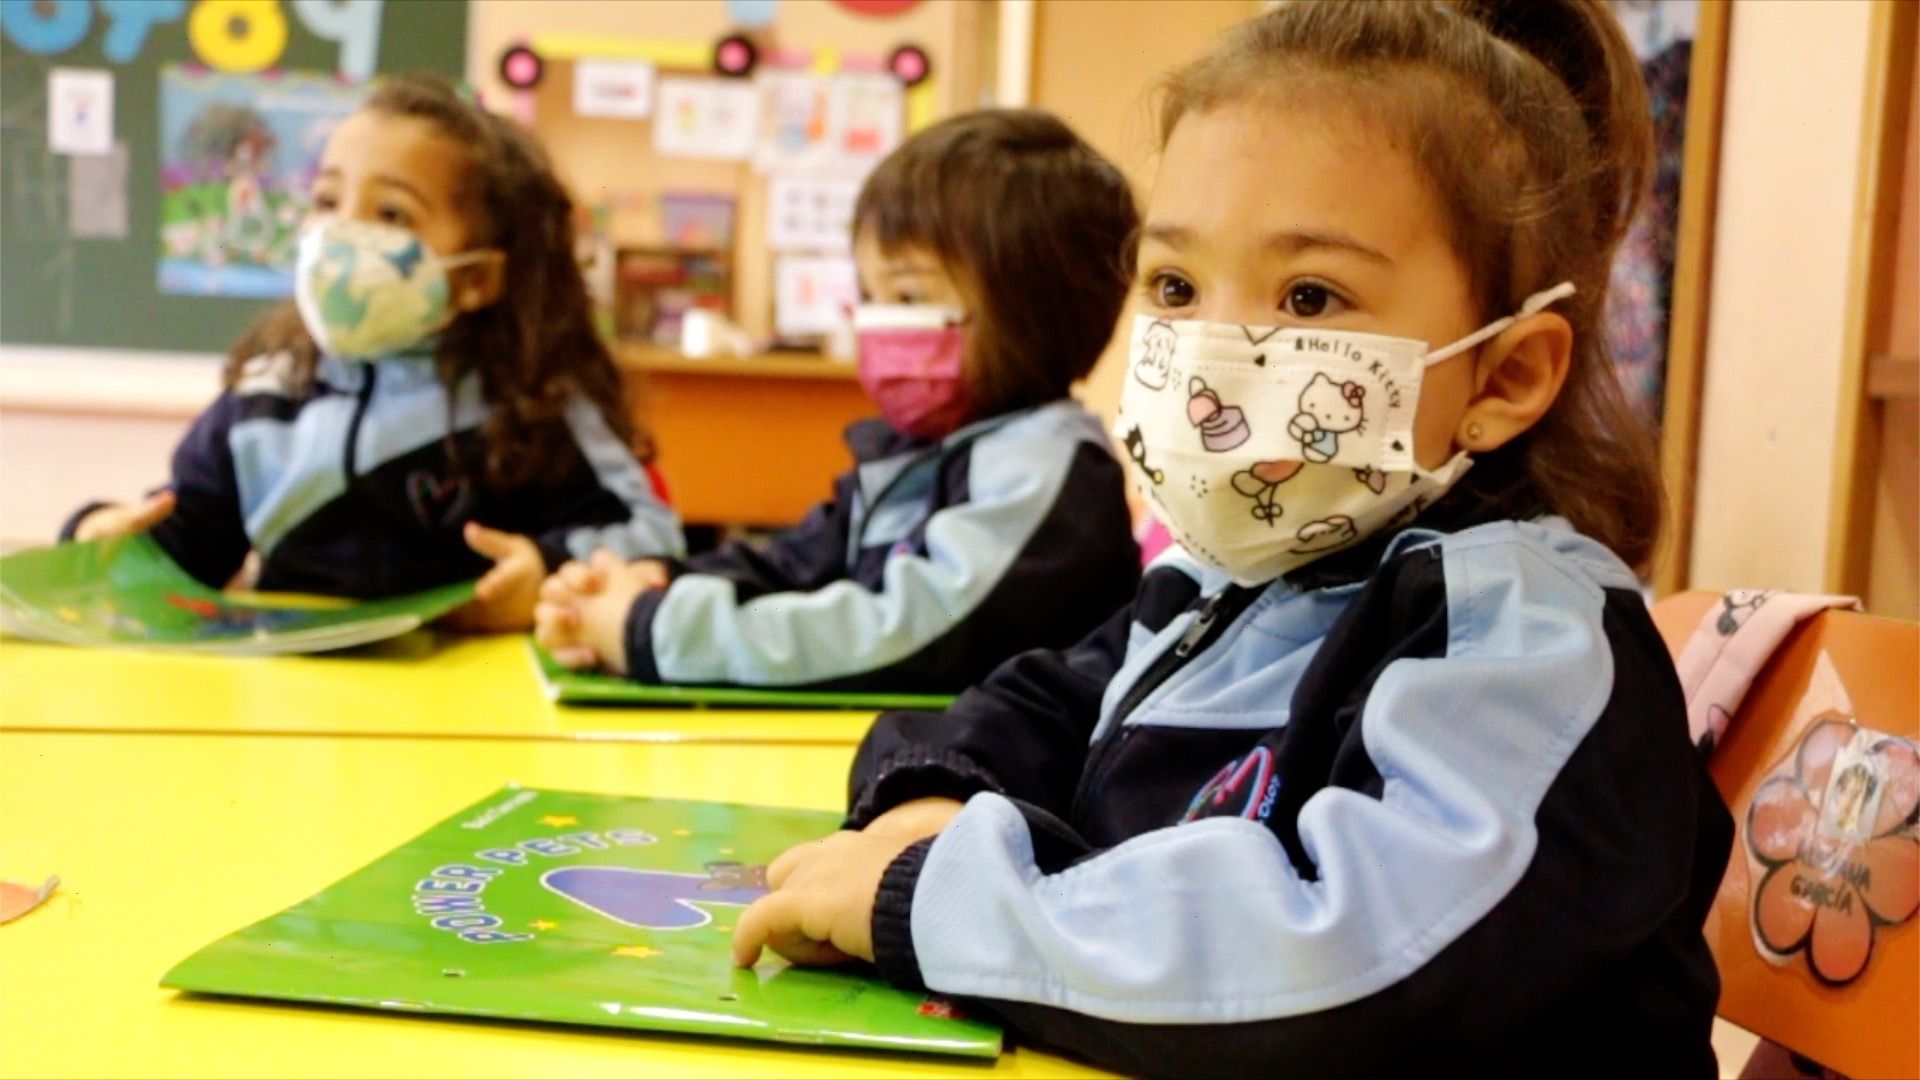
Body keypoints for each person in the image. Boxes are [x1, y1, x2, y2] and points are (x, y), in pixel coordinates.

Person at [728, 3, 1734, 1074]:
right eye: (1175, 285)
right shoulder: (1242, 569)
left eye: (1308, 294)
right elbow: (1052, 698)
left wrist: (934, 903)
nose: (1217, 348)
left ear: (1504, 375)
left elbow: (1352, 953)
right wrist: (934, 798)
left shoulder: (1524, 637)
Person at [536, 110, 1141, 691]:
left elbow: (905, 631)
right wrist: (656, 583)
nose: (873, 323)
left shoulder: (1049, 467)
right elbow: (798, 564)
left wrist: (655, 629)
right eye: (869, 293)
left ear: (1033, 313)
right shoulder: (919, 446)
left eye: (906, 298)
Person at [64, 76, 681, 631]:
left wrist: (548, 569)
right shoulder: (263, 398)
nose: (338, 234)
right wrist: (97, 536)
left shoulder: (534, 403)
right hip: (289, 709)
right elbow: (187, 544)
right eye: (328, 201)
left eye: (391, 213)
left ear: (478, 279)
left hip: (474, 711)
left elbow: (652, 537)